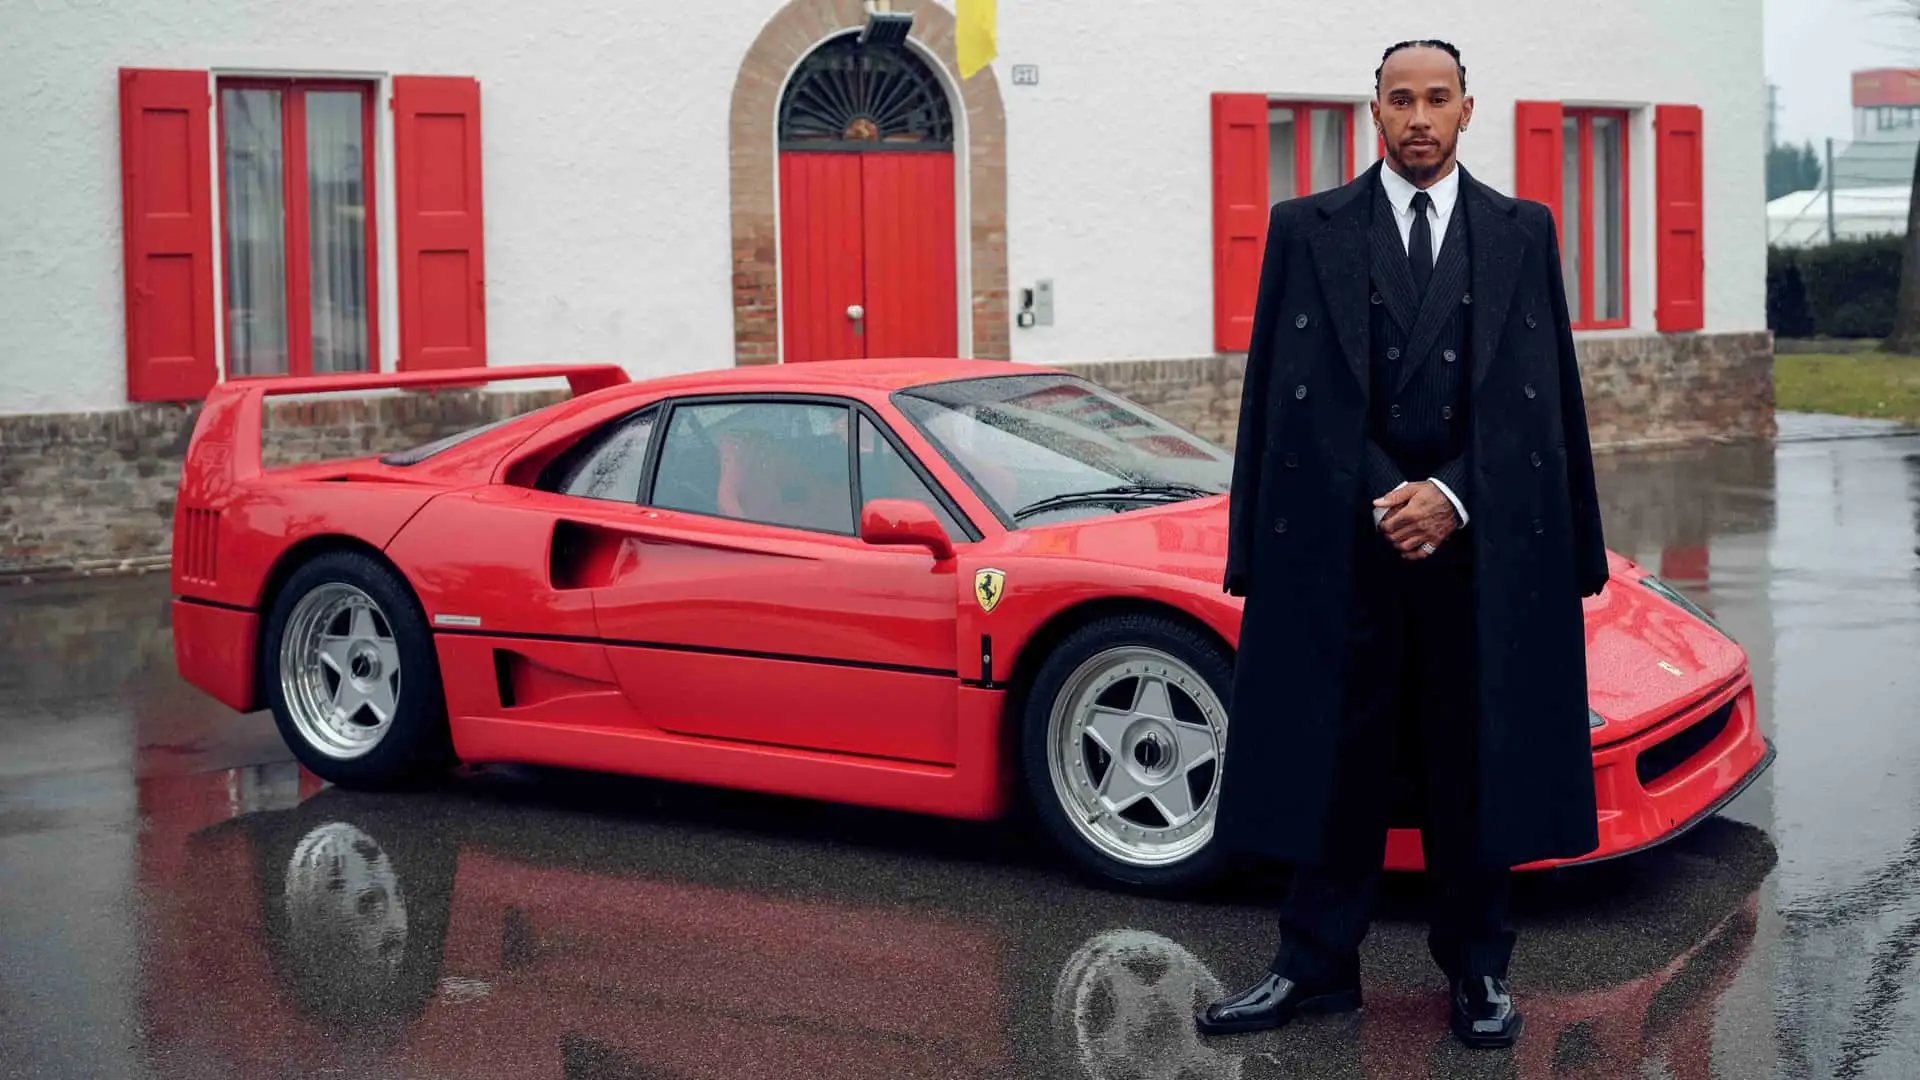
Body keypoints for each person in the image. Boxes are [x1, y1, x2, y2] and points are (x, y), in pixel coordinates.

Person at [1198, 39, 1610, 1050]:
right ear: (1371, 112)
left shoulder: (1522, 231)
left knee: (1473, 755)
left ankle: (1477, 970)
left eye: (1436, 100)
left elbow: (1539, 400)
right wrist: (1391, 491)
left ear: (1469, 109)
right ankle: (1312, 966)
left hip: (1478, 552)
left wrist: (1455, 496)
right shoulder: (1307, 229)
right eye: (1399, 100)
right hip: (1347, 545)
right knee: (1333, 756)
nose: (1417, 118)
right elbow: (1285, 401)